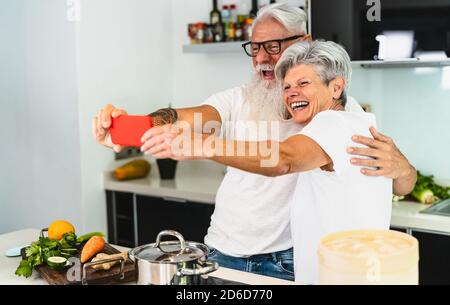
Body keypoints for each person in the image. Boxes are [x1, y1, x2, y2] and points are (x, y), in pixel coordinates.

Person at [93, 4, 417, 281]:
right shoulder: (239, 101)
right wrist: (125, 128)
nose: (261, 58)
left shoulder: (338, 114)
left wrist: (403, 167)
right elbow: (183, 118)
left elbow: (283, 159)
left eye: (273, 47)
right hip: (222, 248)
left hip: (285, 259)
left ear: (303, 43)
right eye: (255, 48)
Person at [144, 40, 393, 284]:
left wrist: (202, 145)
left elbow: (282, 159)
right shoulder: (353, 121)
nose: (292, 92)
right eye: (286, 87)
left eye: (303, 83)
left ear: (336, 87)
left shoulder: (334, 124)